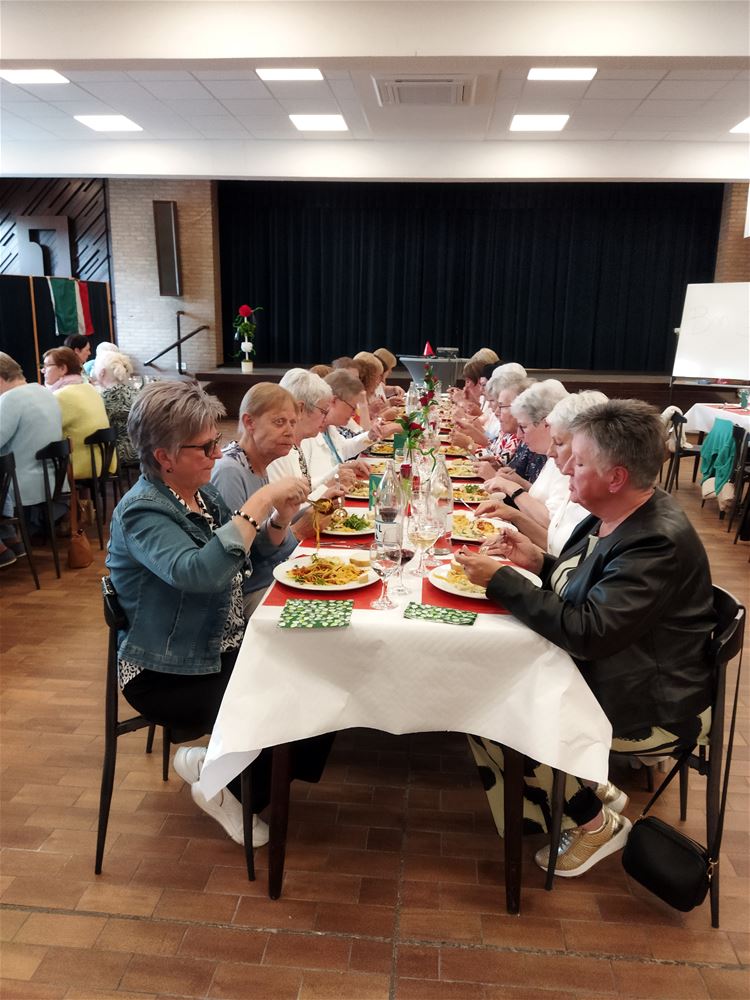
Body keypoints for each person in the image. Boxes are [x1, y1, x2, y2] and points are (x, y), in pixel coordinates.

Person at [456, 400, 715, 877]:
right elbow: (592, 592)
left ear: (616, 477)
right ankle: (585, 785)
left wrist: (502, 580)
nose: (564, 468)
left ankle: (594, 823)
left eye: (578, 462)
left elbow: (588, 633)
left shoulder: (655, 541)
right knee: (489, 688)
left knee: (495, 704)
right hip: (621, 668)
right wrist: (538, 562)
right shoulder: (616, 512)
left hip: (651, 700)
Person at [106, 380, 321, 846]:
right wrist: (260, 501)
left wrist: (280, 517)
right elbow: (198, 574)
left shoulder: (202, 496)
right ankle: (226, 788)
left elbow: (256, 558)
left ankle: (221, 777)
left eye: (215, 442)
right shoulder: (142, 511)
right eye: (205, 447)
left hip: (216, 647)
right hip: (165, 670)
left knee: (319, 677)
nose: (216, 454)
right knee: (296, 699)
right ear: (164, 456)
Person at [211, 382, 334, 616]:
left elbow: (260, 545)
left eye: (293, 423)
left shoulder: (257, 464)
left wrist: (282, 519)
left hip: (265, 578)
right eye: (279, 422)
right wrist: (296, 531)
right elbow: (234, 562)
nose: (289, 431)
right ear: (249, 423)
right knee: (325, 610)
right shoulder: (230, 471)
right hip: (240, 598)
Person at [477, 390, 608, 553]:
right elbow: (555, 544)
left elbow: (551, 527)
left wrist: (513, 491)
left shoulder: (592, 495)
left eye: (558, 443)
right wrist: (513, 514)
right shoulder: (570, 473)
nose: (550, 452)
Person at [0, 352, 64, 566]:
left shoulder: (10, 399)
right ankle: (11, 540)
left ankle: (4, 548)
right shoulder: (43, 392)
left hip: (21, 484)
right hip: (50, 480)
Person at [481, 380, 569, 529]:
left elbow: (552, 524)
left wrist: (511, 487)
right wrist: (520, 483)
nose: (519, 435)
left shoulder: (565, 462)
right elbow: (542, 498)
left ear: (546, 424)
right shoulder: (551, 457)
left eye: (523, 427)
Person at [268, 368, 364, 493]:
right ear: (301, 409)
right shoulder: (279, 448)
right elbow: (288, 501)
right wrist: (327, 486)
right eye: (323, 411)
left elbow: (302, 490)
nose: (325, 418)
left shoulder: (296, 445)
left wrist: (331, 481)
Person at [42, 348, 114, 480]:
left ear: (63, 368)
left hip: (81, 465)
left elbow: (46, 432)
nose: (43, 370)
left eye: (47, 365)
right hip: (105, 461)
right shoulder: (89, 388)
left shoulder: (61, 395)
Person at [93, 349, 139, 464]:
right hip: (141, 450)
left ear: (102, 372)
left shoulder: (103, 398)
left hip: (116, 454)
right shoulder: (137, 393)